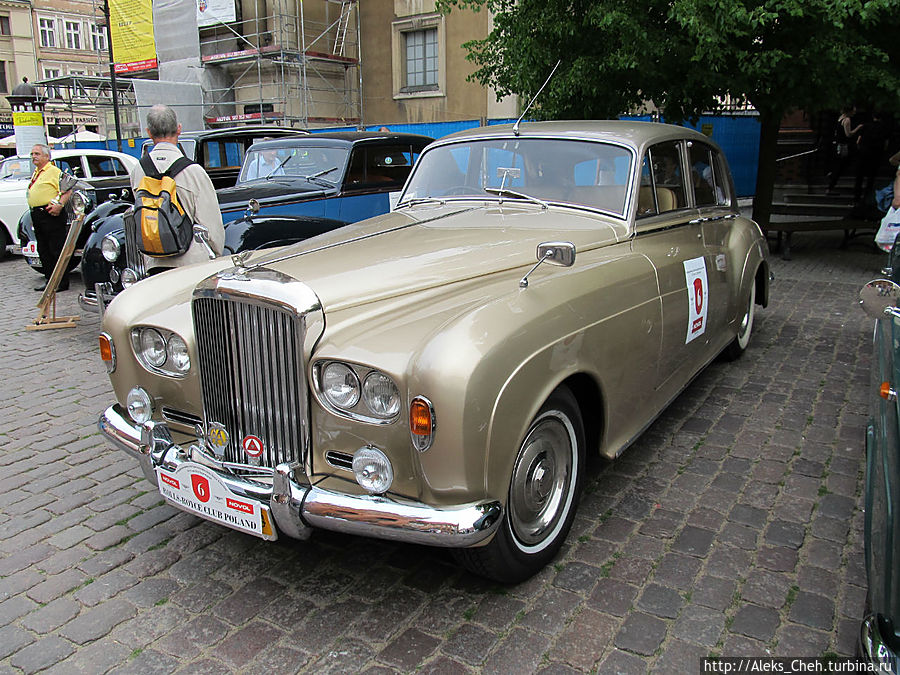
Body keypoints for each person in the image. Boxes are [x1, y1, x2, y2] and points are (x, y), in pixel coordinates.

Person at [132, 104, 224, 271]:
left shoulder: (138, 170)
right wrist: (215, 255)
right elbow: (212, 228)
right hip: (190, 265)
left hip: (154, 264)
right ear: (179, 129)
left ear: (149, 132)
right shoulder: (194, 172)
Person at [27, 143, 72, 291]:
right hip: (37, 214)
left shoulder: (53, 171)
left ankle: (61, 282)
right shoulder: (37, 172)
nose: (33, 156)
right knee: (43, 249)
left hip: (51, 214)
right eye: (32, 154)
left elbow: (67, 189)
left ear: (46, 156)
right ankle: (49, 280)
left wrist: (59, 205)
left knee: (56, 249)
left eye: (37, 154)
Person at [854, 111, 889, 203]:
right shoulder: (883, 128)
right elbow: (886, 143)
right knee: (871, 177)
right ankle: (866, 197)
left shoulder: (866, 126)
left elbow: (858, 140)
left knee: (859, 176)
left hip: (863, 152)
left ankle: (856, 198)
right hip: (875, 153)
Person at [827, 106, 862, 193]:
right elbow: (848, 134)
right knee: (842, 165)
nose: (854, 113)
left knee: (840, 164)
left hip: (838, 145)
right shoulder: (847, 120)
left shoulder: (840, 118)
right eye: (853, 111)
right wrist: (858, 128)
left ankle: (832, 176)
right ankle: (832, 179)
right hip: (843, 146)